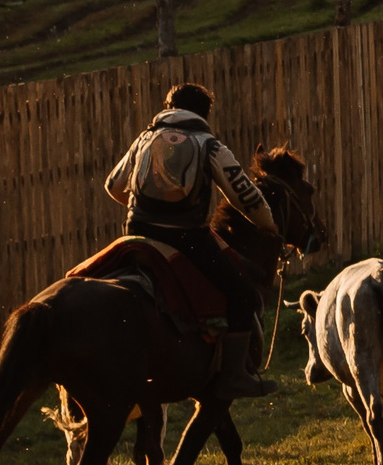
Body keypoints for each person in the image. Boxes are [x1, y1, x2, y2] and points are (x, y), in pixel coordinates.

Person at [103, 82, 281, 400]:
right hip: (186, 238)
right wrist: (268, 224)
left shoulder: (144, 139)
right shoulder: (208, 145)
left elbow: (114, 186)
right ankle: (234, 377)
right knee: (242, 293)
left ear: (168, 107)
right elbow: (245, 197)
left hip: (136, 232)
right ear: (204, 113)